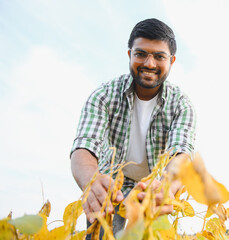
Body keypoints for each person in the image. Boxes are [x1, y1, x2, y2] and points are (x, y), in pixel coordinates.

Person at [70, 18, 197, 238]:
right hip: (111, 182)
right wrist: (91, 181)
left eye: (159, 56)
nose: (149, 63)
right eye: (141, 54)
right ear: (130, 55)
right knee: (99, 230)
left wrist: (167, 185)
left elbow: (181, 153)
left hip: (154, 184)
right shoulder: (104, 96)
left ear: (172, 61)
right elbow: (84, 146)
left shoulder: (181, 105)